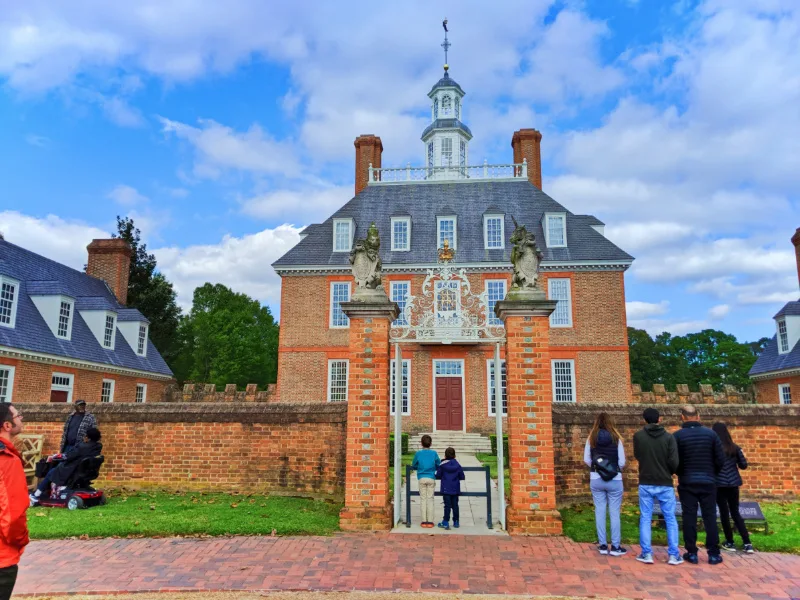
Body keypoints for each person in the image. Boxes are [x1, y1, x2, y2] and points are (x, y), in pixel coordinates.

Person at [673, 405, 726, 565]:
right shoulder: (711, 435)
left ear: (682, 417)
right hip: (708, 481)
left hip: (687, 481)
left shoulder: (677, 436)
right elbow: (720, 459)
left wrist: (681, 472)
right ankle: (714, 553)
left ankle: (692, 552)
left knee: (689, 516)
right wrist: (712, 472)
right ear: (698, 416)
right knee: (710, 516)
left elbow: (674, 460)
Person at [633, 407, 682, 565]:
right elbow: (674, 461)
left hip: (646, 480)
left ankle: (646, 553)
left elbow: (638, 455)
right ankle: (674, 555)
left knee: (645, 517)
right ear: (659, 419)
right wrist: (670, 471)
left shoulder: (638, 436)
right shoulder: (669, 438)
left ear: (644, 420)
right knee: (670, 518)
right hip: (664, 481)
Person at [583, 412, 627, 556]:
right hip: (614, 479)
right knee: (614, 513)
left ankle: (602, 545)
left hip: (596, 477)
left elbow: (586, 459)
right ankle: (615, 546)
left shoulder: (592, 439)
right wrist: (611, 469)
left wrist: (599, 468)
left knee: (600, 511)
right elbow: (622, 462)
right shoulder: (616, 438)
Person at [0, 403, 30, 600]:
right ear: (7, 426)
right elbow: (12, 515)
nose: (21, 419)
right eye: (18, 416)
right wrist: (21, 540)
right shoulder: (7, 460)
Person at [30, 427, 102, 506]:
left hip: (71, 470)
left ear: (88, 438)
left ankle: (36, 494)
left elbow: (68, 456)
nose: (84, 437)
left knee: (51, 472)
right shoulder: (98, 447)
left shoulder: (82, 447)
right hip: (86, 471)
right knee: (54, 470)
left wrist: (54, 456)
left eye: (85, 436)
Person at [712, 422, 755, 554]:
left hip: (719, 485)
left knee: (724, 513)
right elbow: (743, 465)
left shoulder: (714, 449)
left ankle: (730, 541)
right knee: (735, 512)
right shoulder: (735, 448)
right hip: (734, 484)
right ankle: (747, 543)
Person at [411, 435, 440, 528]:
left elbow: (414, 464)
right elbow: (438, 464)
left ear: (421, 443)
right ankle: (430, 521)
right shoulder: (434, 453)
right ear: (431, 444)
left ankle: (424, 521)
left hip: (422, 477)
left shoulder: (418, 453)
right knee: (430, 499)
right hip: (431, 477)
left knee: (423, 499)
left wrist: (418, 467)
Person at [436, 447, 465, 530]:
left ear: (445, 455)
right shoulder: (457, 465)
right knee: (455, 505)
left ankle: (445, 521)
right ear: (454, 455)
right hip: (455, 488)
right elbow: (462, 476)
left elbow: (438, 475)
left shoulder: (443, 465)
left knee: (447, 505)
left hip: (446, 488)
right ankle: (456, 521)